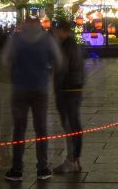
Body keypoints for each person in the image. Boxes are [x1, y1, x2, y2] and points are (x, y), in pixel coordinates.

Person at [1, 16, 63, 182]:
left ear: (25, 25)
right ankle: (42, 168)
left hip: (20, 88)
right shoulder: (47, 39)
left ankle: (17, 169)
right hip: (40, 88)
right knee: (41, 129)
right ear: (38, 25)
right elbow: (59, 60)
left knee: (19, 129)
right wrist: (47, 70)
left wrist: (17, 68)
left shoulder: (16, 39)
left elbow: (4, 60)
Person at [52, 19, 85, 173]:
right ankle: (75, 159)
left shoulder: (66, 46)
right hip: (76, 88)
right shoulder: (75, 45)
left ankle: (71, 160)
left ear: (61, 30)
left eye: (57, 30)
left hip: (67, 89)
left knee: (69, 125)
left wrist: (57, 87)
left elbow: (62, 68)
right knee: (74, 124)